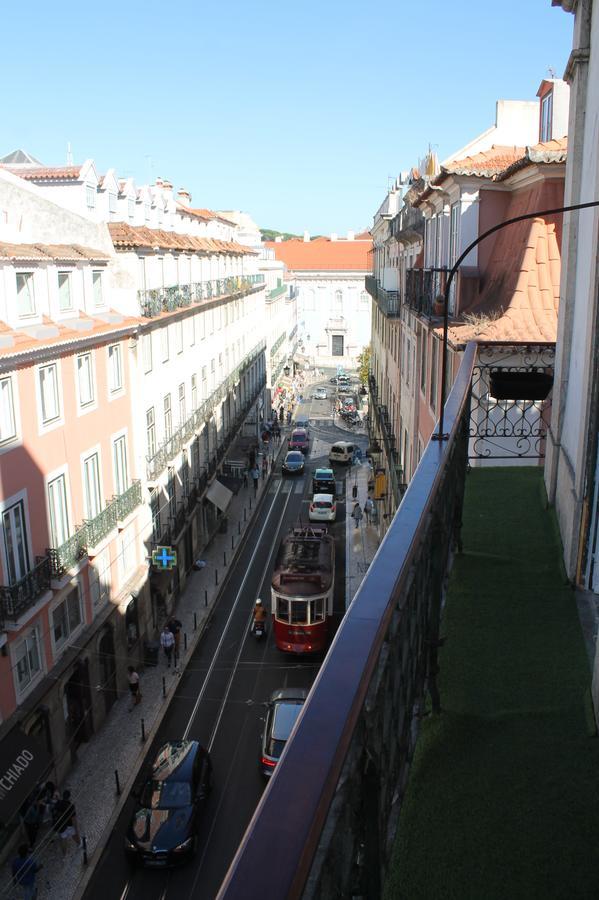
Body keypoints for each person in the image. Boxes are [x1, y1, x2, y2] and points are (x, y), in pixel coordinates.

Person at [53, 790, 80, 858]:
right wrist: (76, 828)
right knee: (74, 834)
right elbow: (73, 819)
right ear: (69, 797)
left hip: (61, 825)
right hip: (69, 824)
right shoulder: (71, 806)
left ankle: (64, 855)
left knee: (63, 839)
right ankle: (79, 844)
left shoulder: (58, 803)